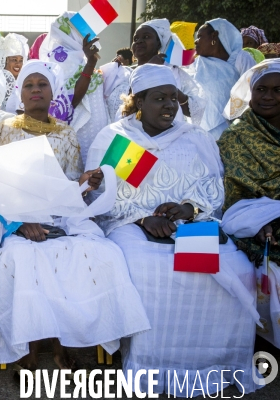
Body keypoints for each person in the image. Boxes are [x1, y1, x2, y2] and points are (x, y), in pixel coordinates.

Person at [85, 64, 260, 396]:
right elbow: (101, 198)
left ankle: (214, 365)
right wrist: (141, 218)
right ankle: (151, 367)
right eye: (158, 98)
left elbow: (213, 187)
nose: (168, 106)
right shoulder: (117, 136)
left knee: (233, 266)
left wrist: (188, 208)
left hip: (188, 223)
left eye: (173, 99)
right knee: (143, 264)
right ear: (138, 102)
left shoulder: (195, 137)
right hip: (130, 225)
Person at [0, 60, 151, 376]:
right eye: (29, 85)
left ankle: (65, 344)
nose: (35, 90)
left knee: (97, 252)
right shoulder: (1, 131)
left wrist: (89, 182)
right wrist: (19, 223)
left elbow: (69, 187)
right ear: (20, 94)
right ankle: (31, 348)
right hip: (15, 218)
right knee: (23, 258)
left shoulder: (66, 134)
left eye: (42, 84)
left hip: (59, 215)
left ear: (53, 92)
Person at [219, 59, 280, 348]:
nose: (268, 96)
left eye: (278, 90)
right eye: (262, 90)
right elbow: (234, 192)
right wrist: (260, 221)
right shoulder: (237, 136)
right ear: (250, 93)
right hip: (256, 223)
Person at [37, 13, 114, 164]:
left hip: (97, 129)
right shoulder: (59, 60)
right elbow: (69, 103)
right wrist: (90, 65)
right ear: (70, 33)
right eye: (81, 31)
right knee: (80, 174)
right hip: (78, 133)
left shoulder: (80, 57)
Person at [109, 19, 205, 126]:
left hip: (162, 137)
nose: (139, 41)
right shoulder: (123, 73)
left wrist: (169, 89)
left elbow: (195, 110)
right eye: (135, 39)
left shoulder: (172, 72)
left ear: (159, 43)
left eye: (146, 37)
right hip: (124, 136)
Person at [192, 18, 256, 139]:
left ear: (214, 36)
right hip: (202, 133)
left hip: (235, 131)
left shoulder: (240, 59)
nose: (196, 41)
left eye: (200, 36)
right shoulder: (197, 63)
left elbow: (252, 91)